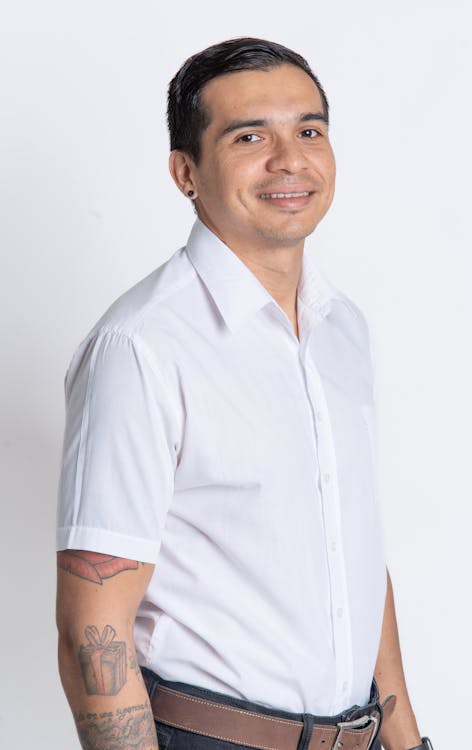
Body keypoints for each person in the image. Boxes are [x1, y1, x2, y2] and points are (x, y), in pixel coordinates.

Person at [56, 37, 433, 750]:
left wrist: (408, 738)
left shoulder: (342, 330)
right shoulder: (140, 347)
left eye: (309, 131)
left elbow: (350, 550)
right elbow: (91, 628)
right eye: (250, 135)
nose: (290, 159)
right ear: (185, 172)